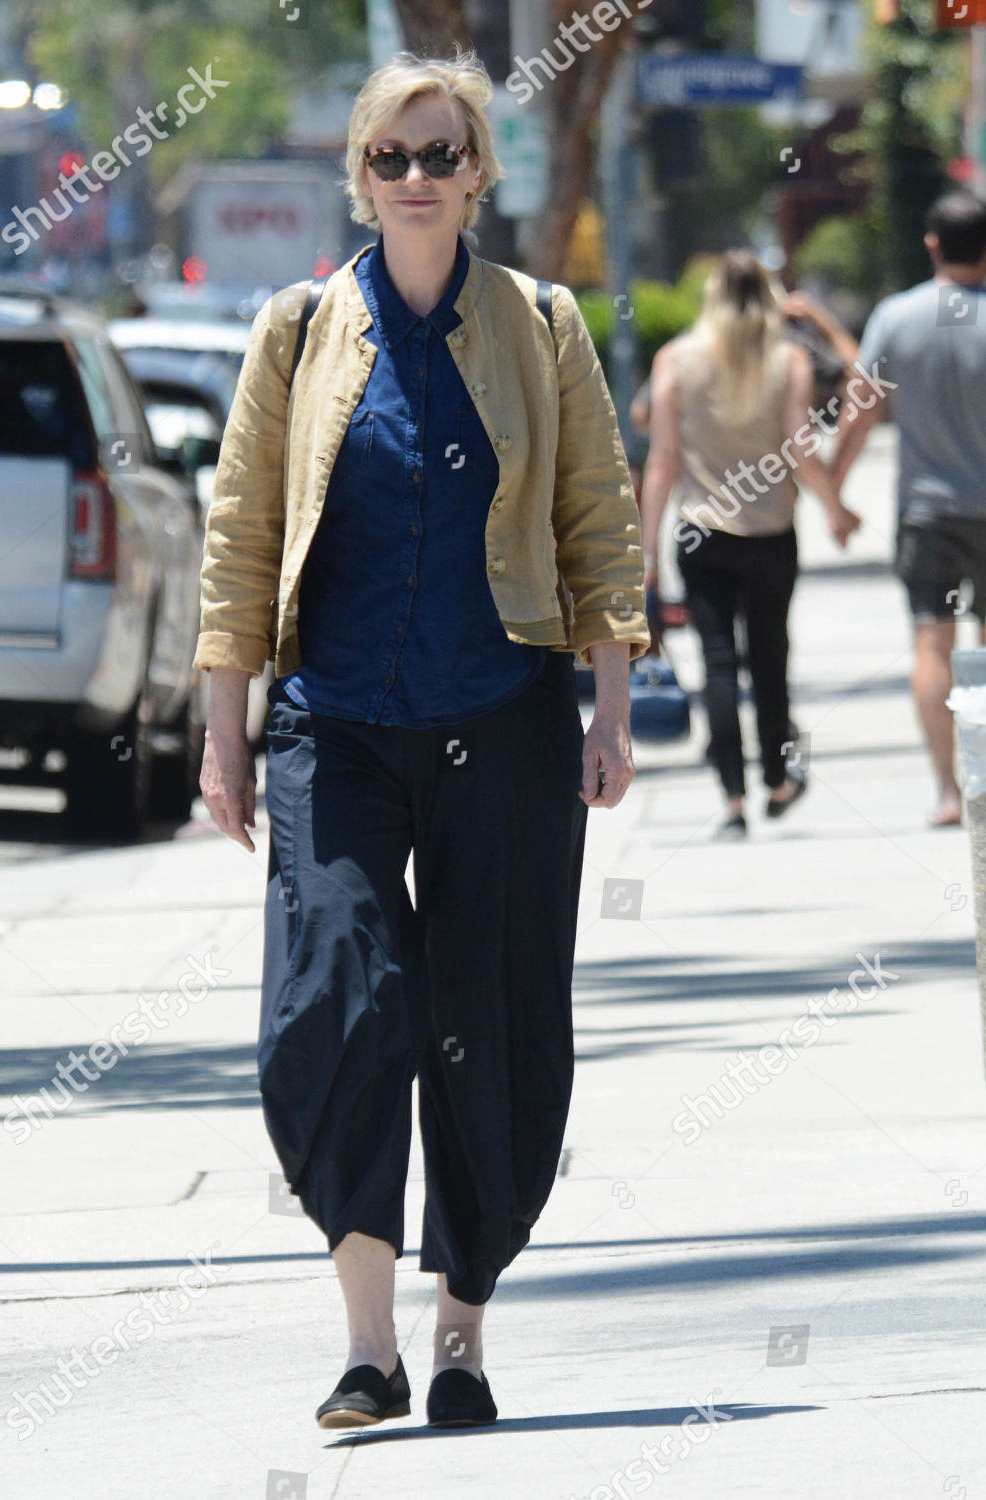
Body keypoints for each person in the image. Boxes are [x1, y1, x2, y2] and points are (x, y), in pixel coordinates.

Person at [193, 48, 650, 1430]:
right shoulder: (297, 331)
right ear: (358, 173)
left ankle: (458, 1336)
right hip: (333, 727)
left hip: (502, 720)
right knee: (336, 1004)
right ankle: (365, 1344)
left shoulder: (541, 324)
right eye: (389, 157)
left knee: (490, 1022)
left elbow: (597, 519)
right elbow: (240, 537)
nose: (414, 177)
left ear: (477, 172)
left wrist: (611, 704)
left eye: (440, 154)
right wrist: (225, 739)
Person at [639, 250, 861, 839]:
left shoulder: (674, 360)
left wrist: (646, 554)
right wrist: (836, 509)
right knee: (769, 658)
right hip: (770, 533)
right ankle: (778, 781)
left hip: (700, 532)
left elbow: (661, 461)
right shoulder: (788, 360)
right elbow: (800, 448)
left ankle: (733, 800)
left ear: (711, 295)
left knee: (716, 664)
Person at [831, 189, 986, 827]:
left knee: (932, 646)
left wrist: (835, 493)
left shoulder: (895, 318)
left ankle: (951, 792)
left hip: (928, 514)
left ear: (932, 245)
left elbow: (860, 412)